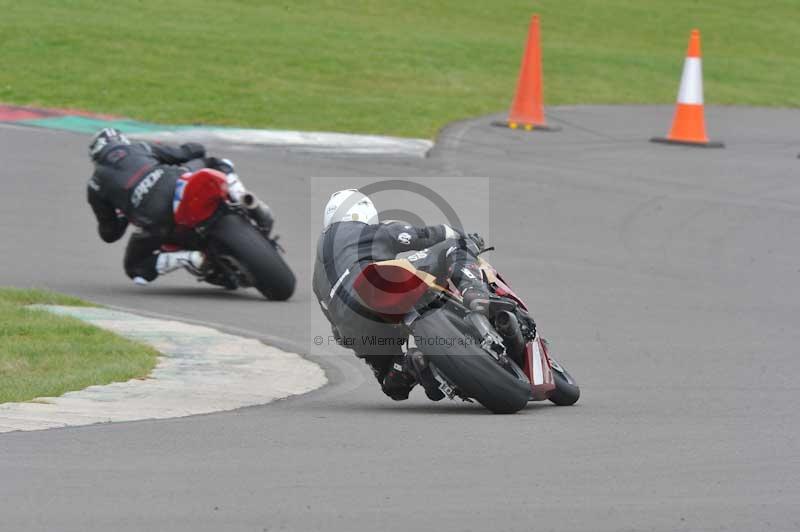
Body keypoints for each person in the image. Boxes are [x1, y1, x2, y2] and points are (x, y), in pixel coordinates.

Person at [312, 189, 496, 401]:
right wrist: (462, 236)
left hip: (353, 329)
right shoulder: (369, 231)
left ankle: (409, 367)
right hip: (374, 288)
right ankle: (474, 291)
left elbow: (334, 327)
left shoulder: (318, 276)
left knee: (392, 381)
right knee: (455, 247)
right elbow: (421, 235)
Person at [86, 128, 252, 285]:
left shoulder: (95, 185)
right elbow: (190, 151)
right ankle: (243, 198)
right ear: (122, 140)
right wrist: (192, 148)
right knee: (214, 162)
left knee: (135, 268)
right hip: (176, 187)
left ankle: (191, 258)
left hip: (154, 221)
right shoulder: (140, 147)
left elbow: (109, 234)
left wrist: (123, 212)